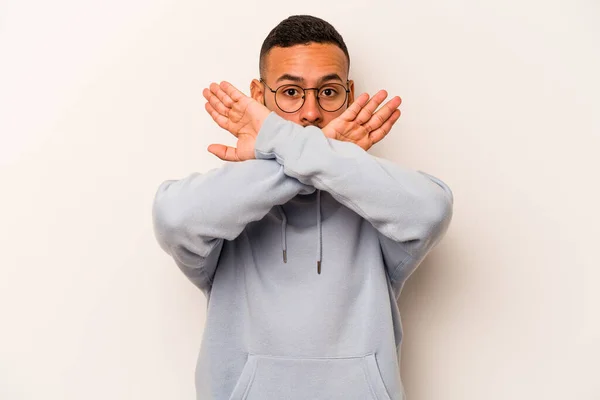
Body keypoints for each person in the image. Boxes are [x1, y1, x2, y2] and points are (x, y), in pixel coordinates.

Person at [152, 15, 454, 400]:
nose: (311, 113)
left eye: (328, 92)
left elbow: (430, 210)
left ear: (349, 93)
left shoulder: (376, 200)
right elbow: (174, 216)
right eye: (291, 93)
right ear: (259, 97)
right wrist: (313, 156)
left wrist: (278, 139)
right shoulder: (227, 204)